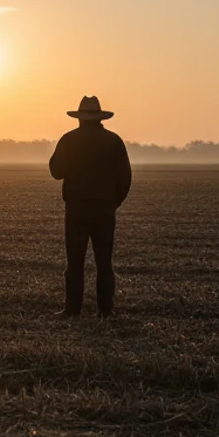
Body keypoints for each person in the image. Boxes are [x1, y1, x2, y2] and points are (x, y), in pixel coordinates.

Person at [49, 96, 132, 318]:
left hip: (77, 209)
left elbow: (56, 172)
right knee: (104, 263)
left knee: (75, 263)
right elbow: (125, 178)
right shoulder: (114, 141)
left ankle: (72, 310)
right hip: (105, 209)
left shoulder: (69, 140)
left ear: (79, 118)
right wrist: (114, 202)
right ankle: (105, 312)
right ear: (100, 117)